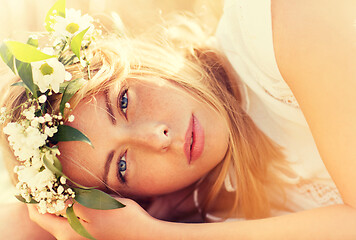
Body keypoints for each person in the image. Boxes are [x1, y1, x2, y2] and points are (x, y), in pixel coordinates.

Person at [1, 0, 356, 239]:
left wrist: (154, 234)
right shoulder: (214, 206)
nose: (158, 138)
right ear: (136, 199)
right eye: (122, 166)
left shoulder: (285, 24)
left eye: (124, 101)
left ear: (132, 57)